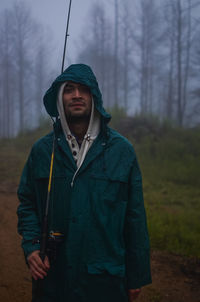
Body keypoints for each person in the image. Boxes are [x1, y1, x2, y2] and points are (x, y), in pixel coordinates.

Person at [17, 63, 152, 302]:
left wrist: (136, 276)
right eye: (69, 89)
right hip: (52, 282)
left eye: (84, 89)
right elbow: (27, 203)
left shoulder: (122, 151)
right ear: (59, 98)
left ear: (94, 96)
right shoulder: (42, 151)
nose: (77, 95)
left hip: (106, 282)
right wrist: (32, 245)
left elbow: (135, 218)